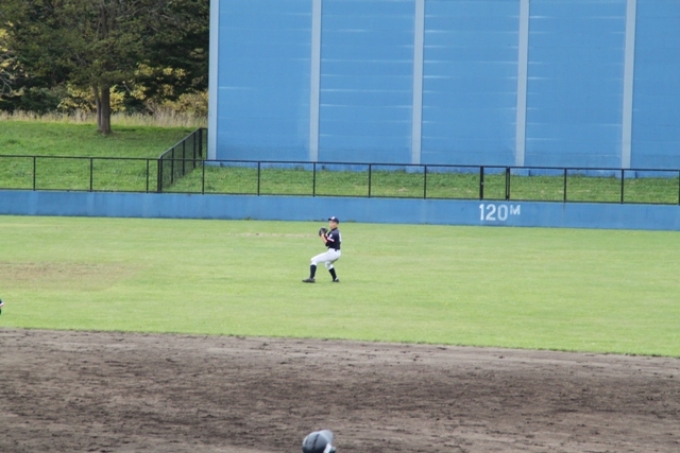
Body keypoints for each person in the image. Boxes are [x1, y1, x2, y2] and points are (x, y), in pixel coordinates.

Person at [303, 216, 341, 283]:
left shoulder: (334, 233)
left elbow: (327, 243)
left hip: (332, 253)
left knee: (313, 260)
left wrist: (322, 236)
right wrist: (325, 235)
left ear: (336, 224)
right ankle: (335, 279)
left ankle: (312, 278)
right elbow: (329, 240)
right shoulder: (336, 232)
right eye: (330, 222)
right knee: (328, 263)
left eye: (332, 222)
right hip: (337, 253)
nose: (330, 223)